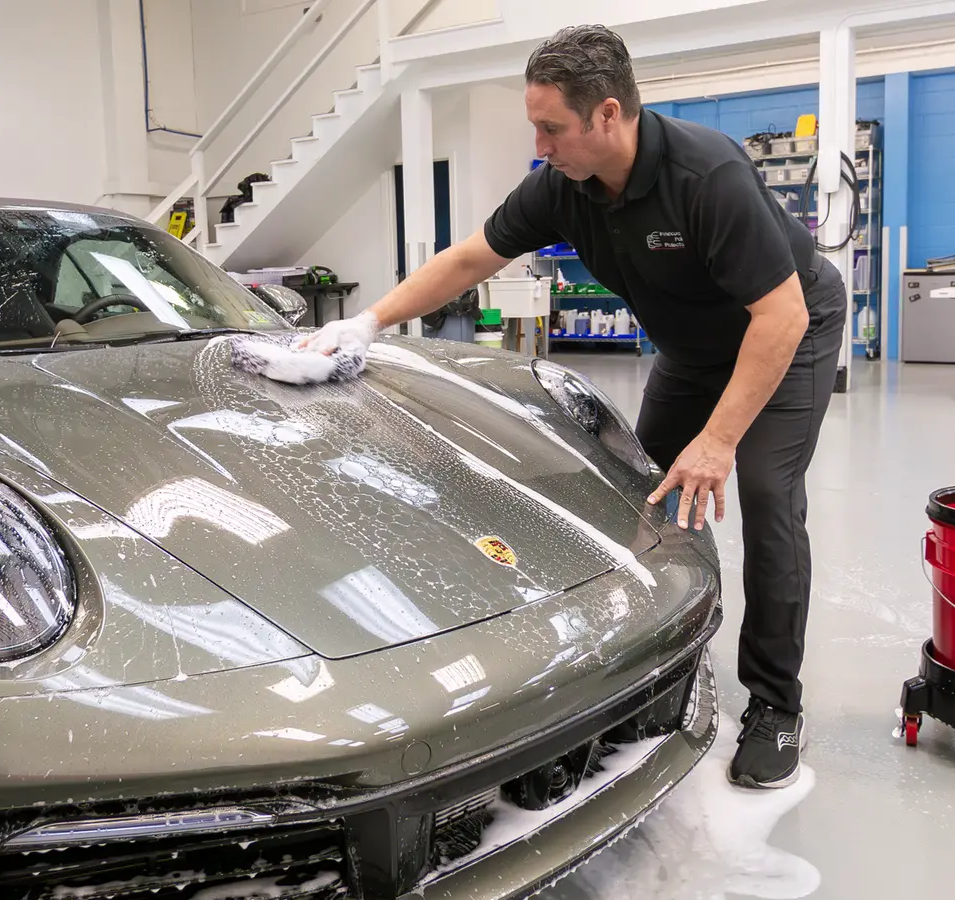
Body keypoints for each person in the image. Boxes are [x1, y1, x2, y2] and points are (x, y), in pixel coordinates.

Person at [297, 24, 842, 789]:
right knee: (636, 494)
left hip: (789, 331)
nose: (540, 143)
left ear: (608, 116)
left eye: (551, 127)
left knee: (765, 494)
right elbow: (469, 258)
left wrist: (719, 440)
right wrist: (369, 321)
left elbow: (778, 317)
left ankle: (777, 704)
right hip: (693, 351)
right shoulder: (562, 188)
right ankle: (644, 663)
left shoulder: (706, 174)